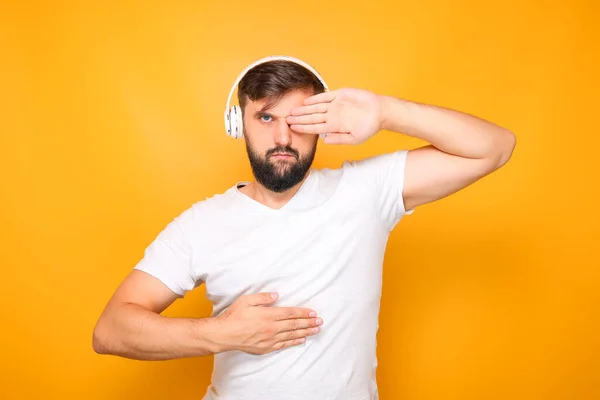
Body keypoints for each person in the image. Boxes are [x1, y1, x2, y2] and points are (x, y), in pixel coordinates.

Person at [92, 56, 516, 399]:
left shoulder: (365, 190)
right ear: (237, 124)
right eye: (265, 118)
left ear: (323, 125)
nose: (283, 137)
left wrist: (387, 112)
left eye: (299, 120)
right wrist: (219, 334)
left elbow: (494, 149)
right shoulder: (201, 224)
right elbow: (111, 330)